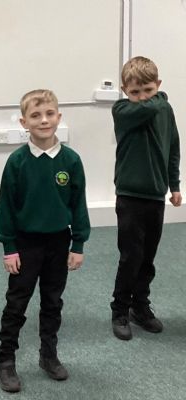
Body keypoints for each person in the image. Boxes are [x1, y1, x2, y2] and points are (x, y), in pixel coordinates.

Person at [0, 89, 90, 392]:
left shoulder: (71, 160)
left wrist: (78, 244)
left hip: (59, 242)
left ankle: (48, 355)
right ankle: (6, 359)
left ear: (58, 117)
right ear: (24, 122)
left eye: (49, 114)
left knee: (52, 301)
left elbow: (78, 205)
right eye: (35, 115)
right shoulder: (17, 162)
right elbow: (6, 208)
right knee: (17, 302)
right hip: (26, 244)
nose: (44, 120)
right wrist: (9, 248)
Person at [110, 56, 182, 341]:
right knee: (131, 256)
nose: (141, 97)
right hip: (129, 195)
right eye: (135, 92)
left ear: (158, 84)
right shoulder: (122, 110)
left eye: (148, 90)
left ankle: (140, 306)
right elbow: (148, 107)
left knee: (148, 257)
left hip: (156, 195)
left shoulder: (164, 109)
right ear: (124, 91)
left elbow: (173, 147)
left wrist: (174, 184)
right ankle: (119, 309)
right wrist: (160, 97)